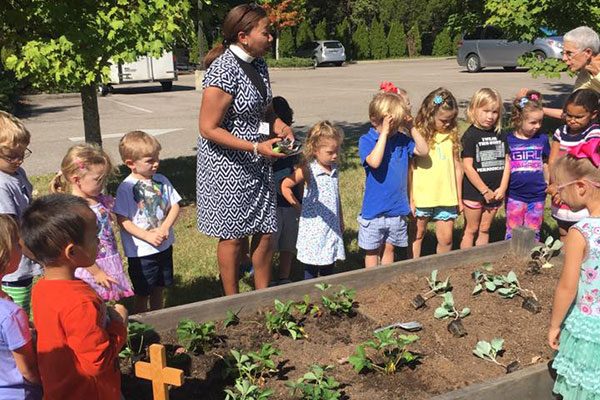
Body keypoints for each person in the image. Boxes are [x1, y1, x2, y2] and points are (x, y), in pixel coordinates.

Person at [198, 3, 294, 295]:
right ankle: (231, 300)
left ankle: (263, 297)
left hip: (258, 161)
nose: (271, 38)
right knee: (234, 237)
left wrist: (279, 125)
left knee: (266, 232)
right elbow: (207, 128)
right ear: (243, 36)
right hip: (228, 167)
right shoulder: (223, 70)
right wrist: (255, 146)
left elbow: (265, 109)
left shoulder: (259, 64)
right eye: (265, 33)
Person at [22, 194, 127, 400]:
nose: (98, 240)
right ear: (72, 252)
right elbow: (96, 363)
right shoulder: (80, 302)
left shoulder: (42, 289)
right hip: (90, 393)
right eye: (94, 236)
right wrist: (119, 325)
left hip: (59, 390)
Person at [547, 138, 600, 400]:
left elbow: (568, 287)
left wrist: (555, 325)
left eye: (561, 187)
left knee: (587, 387)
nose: (558, 194)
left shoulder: (581, 233)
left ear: (581, 187)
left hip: (591, 329)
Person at [50, 144, 134, 301]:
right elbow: (75, 247)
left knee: (112, 304)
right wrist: (96, 272)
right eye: (98, 180)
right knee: (93, 302)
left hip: (108, 258)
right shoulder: (75, 209)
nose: (102, 184)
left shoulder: (98, 200)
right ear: (77, 180)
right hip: (89, 266)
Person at [358, 87, 428, 268]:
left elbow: (423, 150)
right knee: (372, 250)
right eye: (391, 124)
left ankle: (386, 281)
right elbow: (374, 162)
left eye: (397, 125)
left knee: (390, 248)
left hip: (396, 208)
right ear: (374, 120)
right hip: (374, 210)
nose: (394, 129)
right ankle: (372, 281)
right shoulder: (367, 140)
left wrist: (411, 127)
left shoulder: (402, 140)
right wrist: (383, 135)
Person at [114, 131, 181, 313]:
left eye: (157, 157)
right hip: (142, 252)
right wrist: (147, 236)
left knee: (160, 286)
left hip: (164, 246)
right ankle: (144, 321)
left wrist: (165, 227)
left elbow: (174, 205)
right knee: (143, 291)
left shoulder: (162, 180)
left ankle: (158, 315)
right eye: (150, 160)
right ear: (131, 164)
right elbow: (123, 219)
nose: (156, 163)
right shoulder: (126, 188)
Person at [281, 121, 345, 279]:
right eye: (330, 152)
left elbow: (336, 195)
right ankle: (309, 296)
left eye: (336, 151)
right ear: (315, 150)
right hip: (314, 227)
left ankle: (326, 296)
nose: (335, 155)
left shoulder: (334, 168)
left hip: (331, 225)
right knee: (311, 265)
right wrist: (298, 207)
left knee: (329, 263)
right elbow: (285, 186)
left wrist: (340, 218)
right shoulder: (309, 169)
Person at [411, 88, 463, 258]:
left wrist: (459, 197)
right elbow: (410, 168)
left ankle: (442, 269)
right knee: (416, 235)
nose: (448, 123)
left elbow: (457, 166)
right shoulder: (417, 134)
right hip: (422, 196)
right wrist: (411, 196)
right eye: (443, 120)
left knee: (446, 238)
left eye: (451, 119)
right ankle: (412, 270)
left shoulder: (452, 134)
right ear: (429, 114)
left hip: (446, 195)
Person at [0, 111, 42, 316]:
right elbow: (12, 231)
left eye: (22, 154)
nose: (19, 161)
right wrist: (40, 257)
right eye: (11, 156)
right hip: (13, 267)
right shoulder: (1, 185)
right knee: (16, 314)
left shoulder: (16, 173)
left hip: (25, 259)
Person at [547, 89, 600, 241]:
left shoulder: (593, 133)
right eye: (568, 115)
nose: (572, 120)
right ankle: (565, 259)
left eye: (579, 116)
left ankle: (583, 260)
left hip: (581, 189)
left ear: (594, 114)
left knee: (583, 231)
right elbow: (552, 160)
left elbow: (590, 164)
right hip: (560, 186)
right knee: (563, 229)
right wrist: (555, 185)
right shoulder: (560, 132)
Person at [460, 88, 510, 249]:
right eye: (486, 111)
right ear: (474, 109)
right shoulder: (470, 135)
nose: (490, 116)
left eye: (494, 112)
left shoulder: (501, 134)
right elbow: (467, 166)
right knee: (471, 229)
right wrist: (484, 190)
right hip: (474, 192)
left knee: (485, 228)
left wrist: (502, 187)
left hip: (496, 191)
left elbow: (508, 161)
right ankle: (465, 263)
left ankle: (482, 261)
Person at [0, 215, 41, 399]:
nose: (21, 246)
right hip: (19, 394)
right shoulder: (10, 314)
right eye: (17, 243)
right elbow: (28, 371)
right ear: (5, 255)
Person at [521, 26, 600, 119]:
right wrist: (532, 105)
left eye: (569, 53)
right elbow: (570, 113)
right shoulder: (585, 76)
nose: (564, 59)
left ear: (588, 52)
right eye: (563, 53)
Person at [504, 91, 550, 241]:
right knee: (513, 229)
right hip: (514, 194)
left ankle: (532, 257)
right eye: (533, 122)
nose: (537, 126)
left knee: (534, 229)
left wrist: (548, 181)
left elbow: (546, 163)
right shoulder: (508, 140)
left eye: (540, 122)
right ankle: (511, 259)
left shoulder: (542, 139)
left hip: (537, 194)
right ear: (519, 119)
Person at [270, 96, 301, 284]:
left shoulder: (288, 142)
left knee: (284, 241)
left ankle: (281, 275)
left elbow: (295, 152)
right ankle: (282, 275)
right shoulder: (272, 143)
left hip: (282, 198)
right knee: (285, 242)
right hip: (280, 199)